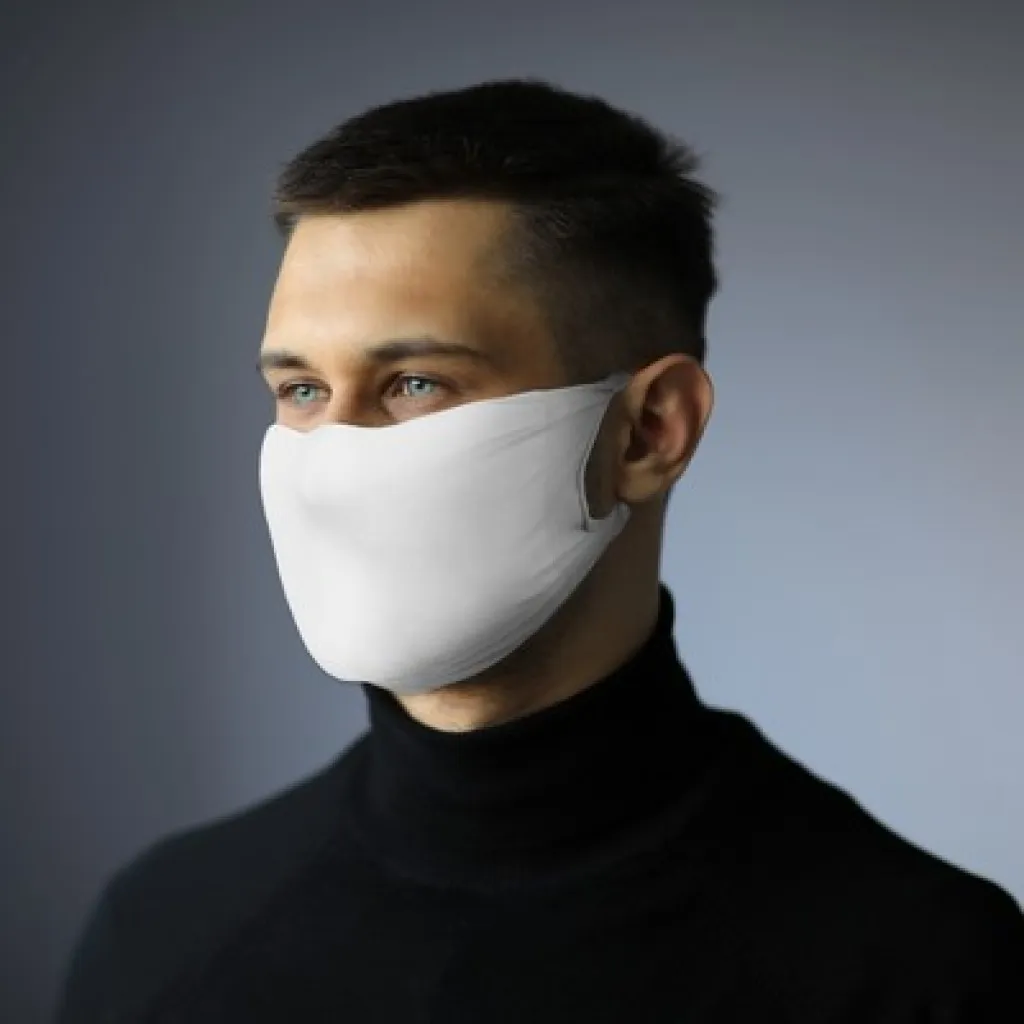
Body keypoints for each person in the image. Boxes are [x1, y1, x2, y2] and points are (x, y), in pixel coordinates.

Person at [55, 78, 1023, 1023]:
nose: (332, 466)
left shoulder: (918, 971)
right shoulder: (159, 934)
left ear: (648, 431)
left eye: (415, 383)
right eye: (302, 391)